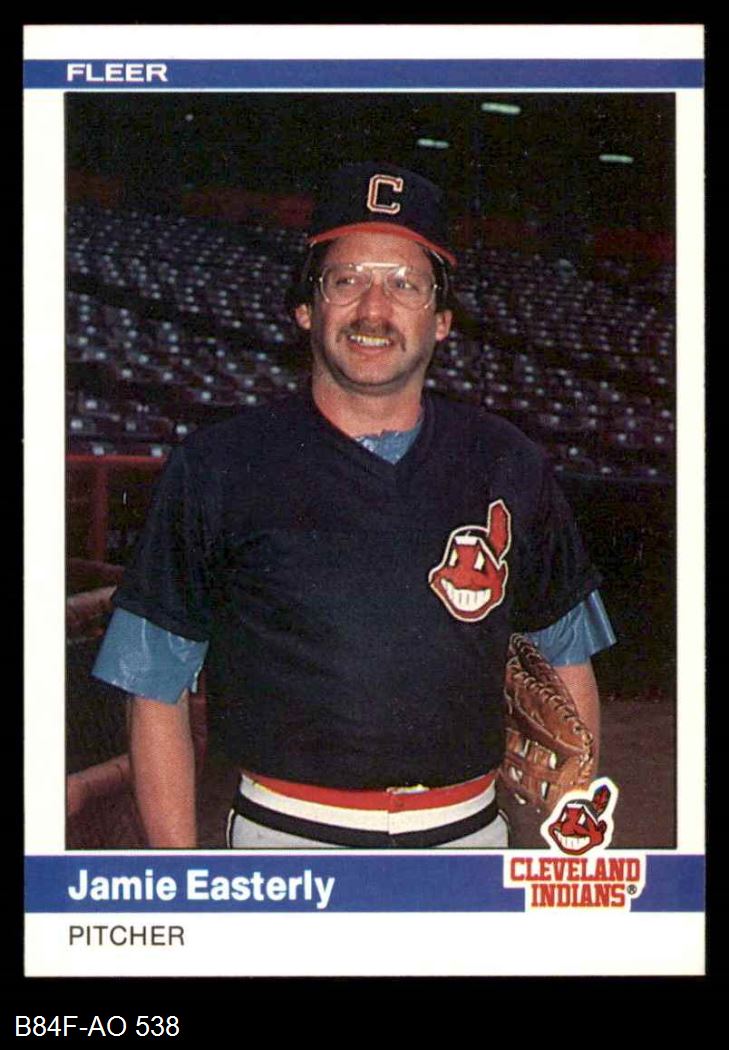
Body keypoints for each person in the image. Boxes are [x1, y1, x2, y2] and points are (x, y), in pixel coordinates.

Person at [93, 161, 615, 850]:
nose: (373, 309)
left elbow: (566, 665)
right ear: (306, 309)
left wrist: (564, 849)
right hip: (284, 836)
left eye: (404, 284)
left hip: (471, 835)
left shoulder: (509, 461)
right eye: (346, 281)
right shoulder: (217, 464)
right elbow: (153, 688)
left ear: (441, 321)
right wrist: (181, 875)